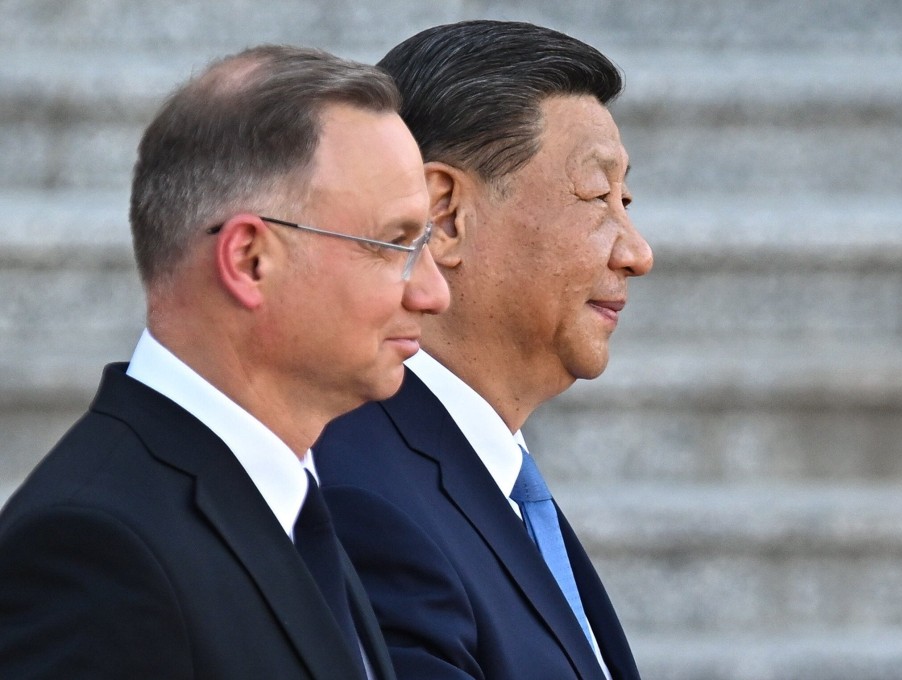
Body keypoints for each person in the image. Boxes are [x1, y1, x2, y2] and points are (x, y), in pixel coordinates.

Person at [0, 44, 449, 680]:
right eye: (395, 244)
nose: (434, 292)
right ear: (249, 260)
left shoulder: (289, 500)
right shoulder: (94, 549)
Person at [314, 20, 654, 680]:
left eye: (628, 199)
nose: (638, 252)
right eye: (597, 196)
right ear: (443, 216)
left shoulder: (486, 477)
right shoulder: (362, 494)